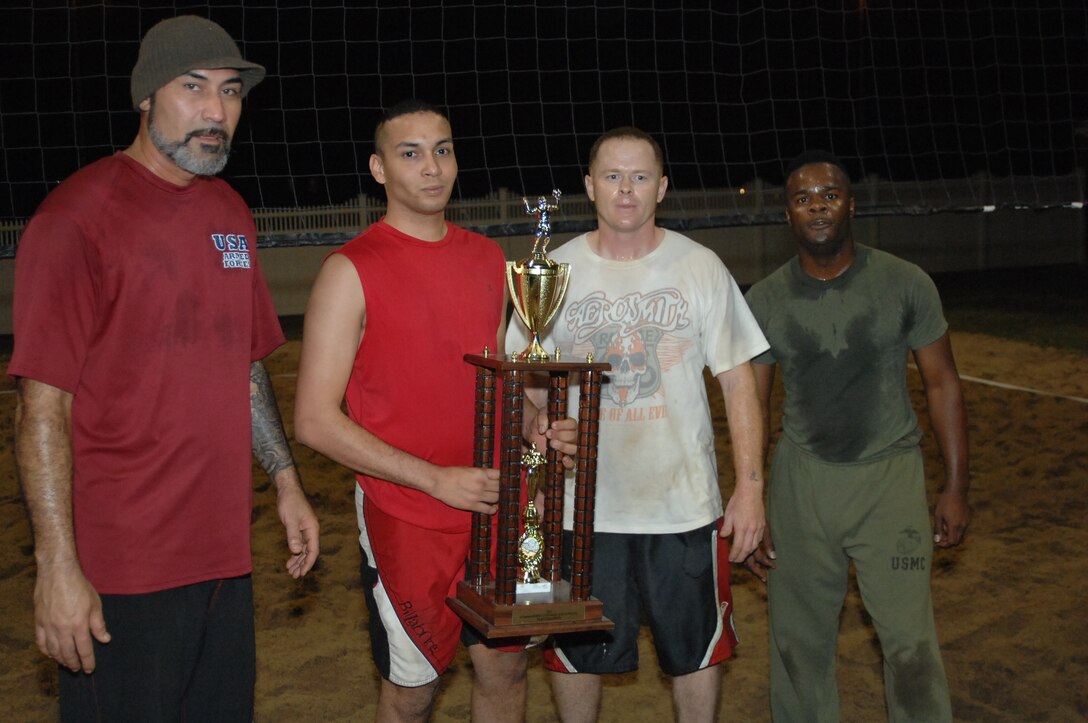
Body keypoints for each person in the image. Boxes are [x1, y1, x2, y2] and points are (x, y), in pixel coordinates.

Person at [9, 14, 319, 722]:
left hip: (223, 560)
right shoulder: (75, 219)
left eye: (231, 90)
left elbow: (242, 364)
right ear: (146, 98)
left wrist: (286, 480)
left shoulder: (230, 212)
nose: (216, 111)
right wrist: (57, 565)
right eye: (193, 87)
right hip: (122, 570)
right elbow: (42, 406)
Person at [293, 99, 576, 723]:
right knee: (413, 689)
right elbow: (313, 420)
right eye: (410, 152)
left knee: (503, 667)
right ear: (377, 168)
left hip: (498, 502)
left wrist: (536, 417)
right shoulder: (350, 270)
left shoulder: (485, 258)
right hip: (408, 513)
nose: (431, 167)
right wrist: (435, 480)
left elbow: (498, 373)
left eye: (442, 150)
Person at [505, 127, 769, 722]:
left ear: (663, 188)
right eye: (613, 176)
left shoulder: (699, 267)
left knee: (696, 652)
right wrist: (541, 424)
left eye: (641, 176)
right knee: (575, 653)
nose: (627, 190)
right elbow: (520, 381)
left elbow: (737, 381)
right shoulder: (555, 271)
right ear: (589, 186)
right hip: (582, 508)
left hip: (683, 506)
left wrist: (750, 487)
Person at [743, 150, 970, 722]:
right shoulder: (766, 299)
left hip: (889, 480)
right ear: (786, 215)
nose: (817, 206)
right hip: (802, 484)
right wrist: (752, 500)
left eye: (829, 194)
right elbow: (754, 405)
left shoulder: (905, 282)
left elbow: (942, 384)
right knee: (798, 645)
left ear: (852, 204)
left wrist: (956, 486)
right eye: (802, 198)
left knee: (908, 641)